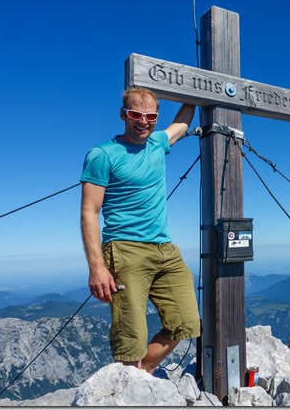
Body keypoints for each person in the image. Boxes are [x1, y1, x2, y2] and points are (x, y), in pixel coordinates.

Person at [80, 85, 200, 374]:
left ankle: (141, 372)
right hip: (124, 249)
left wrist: (193, 90)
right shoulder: (103, 154)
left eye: (151, 116)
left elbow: (182, 123)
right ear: (123, 114)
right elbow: (89, 212)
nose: (143, 121)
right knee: (130, 338)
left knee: (186, 322)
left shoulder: (158, 143)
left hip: (165, 249)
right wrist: (97, 267)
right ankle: (131, 387)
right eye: (135, 114)